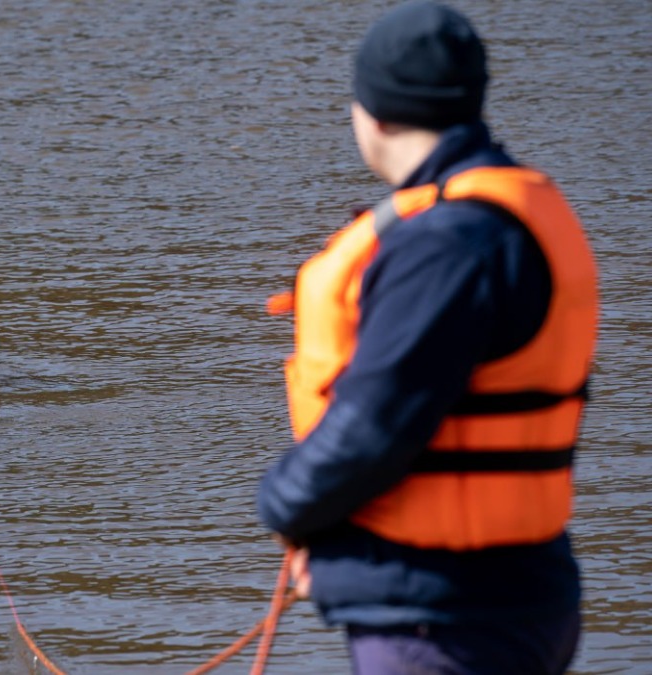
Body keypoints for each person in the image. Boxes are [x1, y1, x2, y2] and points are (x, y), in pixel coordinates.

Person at [256, 2, 598, 674]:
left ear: (374, 112)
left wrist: (284, 501)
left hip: (445, 617)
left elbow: (373, 427)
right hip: (508, 595)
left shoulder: (445, 245)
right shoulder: (500, 218)